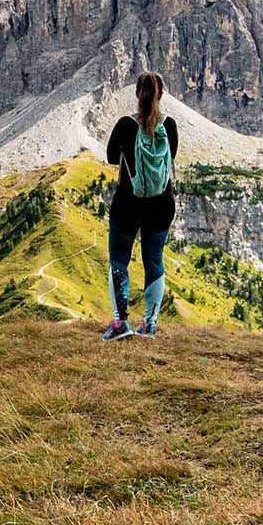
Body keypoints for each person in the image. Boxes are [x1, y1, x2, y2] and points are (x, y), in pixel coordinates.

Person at [103, 71, 179, 339]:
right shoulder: (169, 125)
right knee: (154, 260)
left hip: (128, 202)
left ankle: (120, 323)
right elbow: (171, 157)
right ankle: (149, 324)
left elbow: (112, 157)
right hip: (162, 203)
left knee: (119, 259)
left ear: (137, 94)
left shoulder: (126, 124)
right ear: (162, 95)